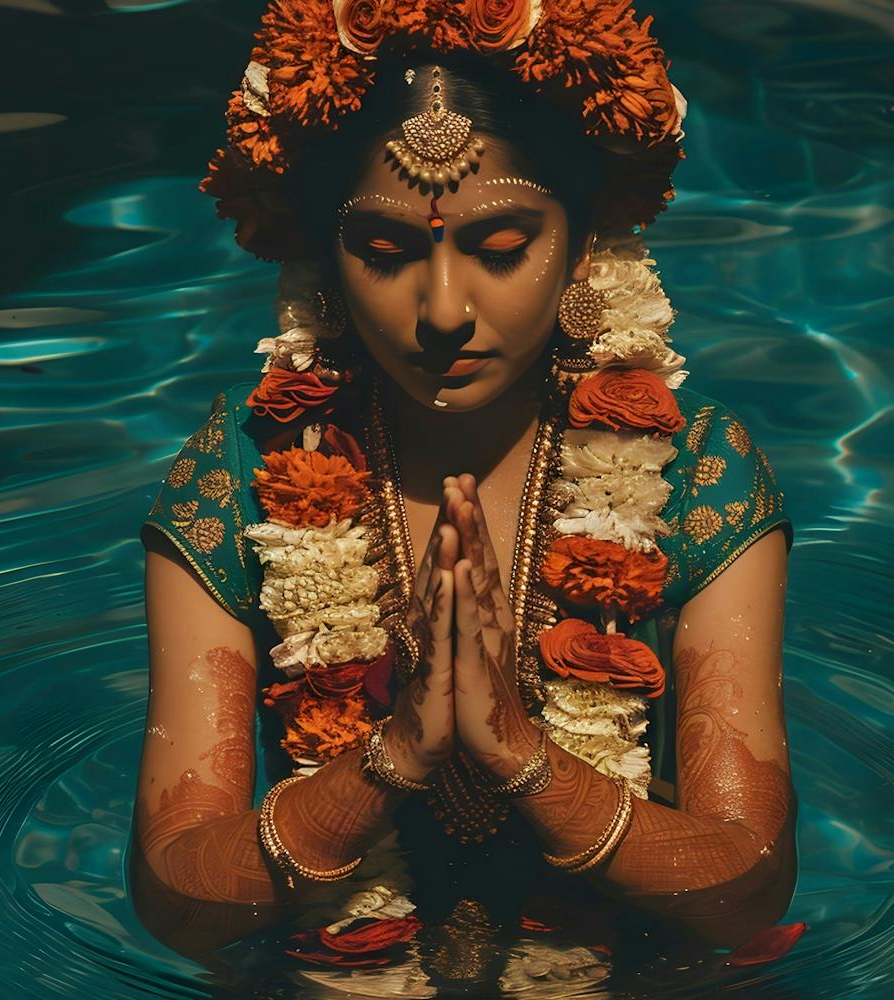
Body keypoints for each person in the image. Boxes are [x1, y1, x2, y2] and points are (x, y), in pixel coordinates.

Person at [129, 1, 797, 991]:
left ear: (582, 240)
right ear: (326, 256)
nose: (443, 309)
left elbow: (747, 884)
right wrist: (388, 761)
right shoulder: (241, 469)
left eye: (499, 245)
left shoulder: (697, 472)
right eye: (387, 253)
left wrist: (525, 758)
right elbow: (175, 896)